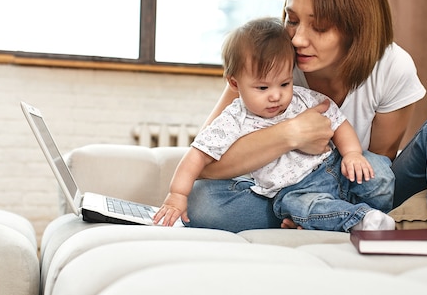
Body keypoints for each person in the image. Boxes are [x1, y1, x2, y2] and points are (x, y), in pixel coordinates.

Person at [179, 0, 427, 257]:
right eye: (291, 19)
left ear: (356, 28)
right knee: (203, 202)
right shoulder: (270, 64)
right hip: (290, 192)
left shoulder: (392, 67)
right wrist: (292, 134)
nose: (297, 39)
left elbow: (381, 166)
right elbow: (208, 165)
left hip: (360, 183)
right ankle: (321, 214)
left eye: (319, 27)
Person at [153, 17, 396, 231]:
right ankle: (361, 220)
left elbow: (338, 122)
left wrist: (352, 154)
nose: (275, 95)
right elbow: (196, 157)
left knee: (380, 172)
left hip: (336, 168)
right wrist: (177, 194)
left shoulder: (303, 98)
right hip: (296, 190)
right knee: (306, 208)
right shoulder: (234, 118)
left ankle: (373, 212)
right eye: (262, 87)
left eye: (284, 83)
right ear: (235, 84)